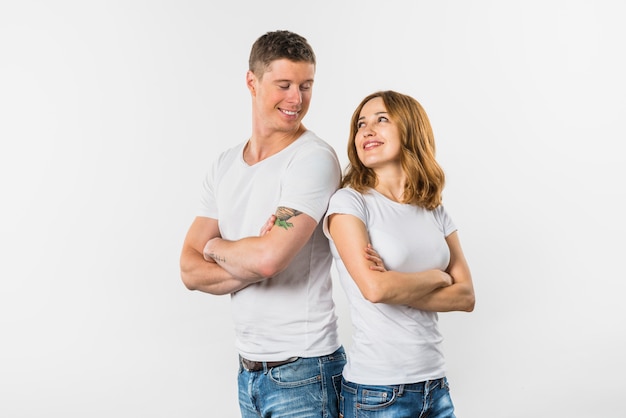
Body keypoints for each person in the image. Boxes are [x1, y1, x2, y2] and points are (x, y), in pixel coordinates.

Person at [179, 30, 345, 417]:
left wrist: (214, 248)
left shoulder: (312, 160)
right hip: (248, 371)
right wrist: (251, 256)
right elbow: (188, 269)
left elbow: (269, 259)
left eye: (306, 86)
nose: (296, 99)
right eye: (284, 85)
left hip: (305, 371)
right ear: (252, 82)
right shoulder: (225, 164)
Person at [323, 90, 475, 417]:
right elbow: (376, 289)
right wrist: (438, 277)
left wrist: (399, 285)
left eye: (381, 120)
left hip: (435, 385)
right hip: (377, 392)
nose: (366, 130)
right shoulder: (350, 204)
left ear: (409, 128)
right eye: (360, 124)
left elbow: (465, 297)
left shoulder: (434, 210)